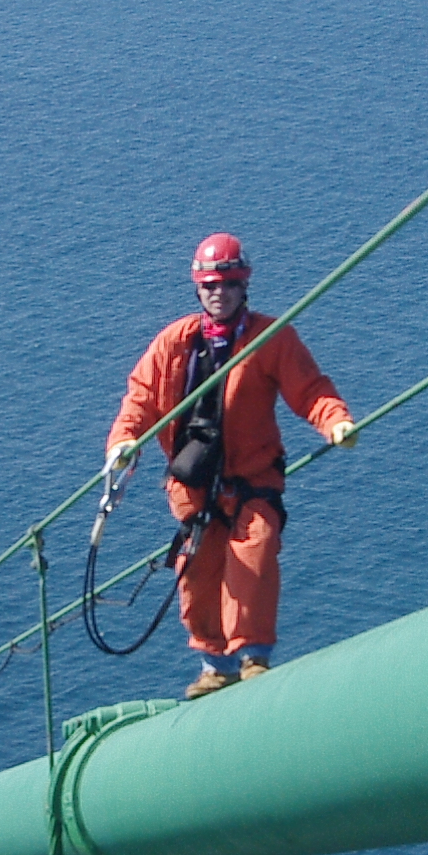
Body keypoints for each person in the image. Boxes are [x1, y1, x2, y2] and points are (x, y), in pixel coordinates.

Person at [105, 231, 355, 698]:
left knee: (253, 555)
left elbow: (310, 389)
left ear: (245, 287)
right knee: (196, 571)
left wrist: (336, 422)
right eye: (210, 286)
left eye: (228, 285)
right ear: (198, 289)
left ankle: (253, 658)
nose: (218, 294)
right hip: (196, 486)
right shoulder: (174, 343)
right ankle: (215, 665)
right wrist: (124, 442)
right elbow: (139, 399)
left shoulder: (269, 339)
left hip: (252, 478)